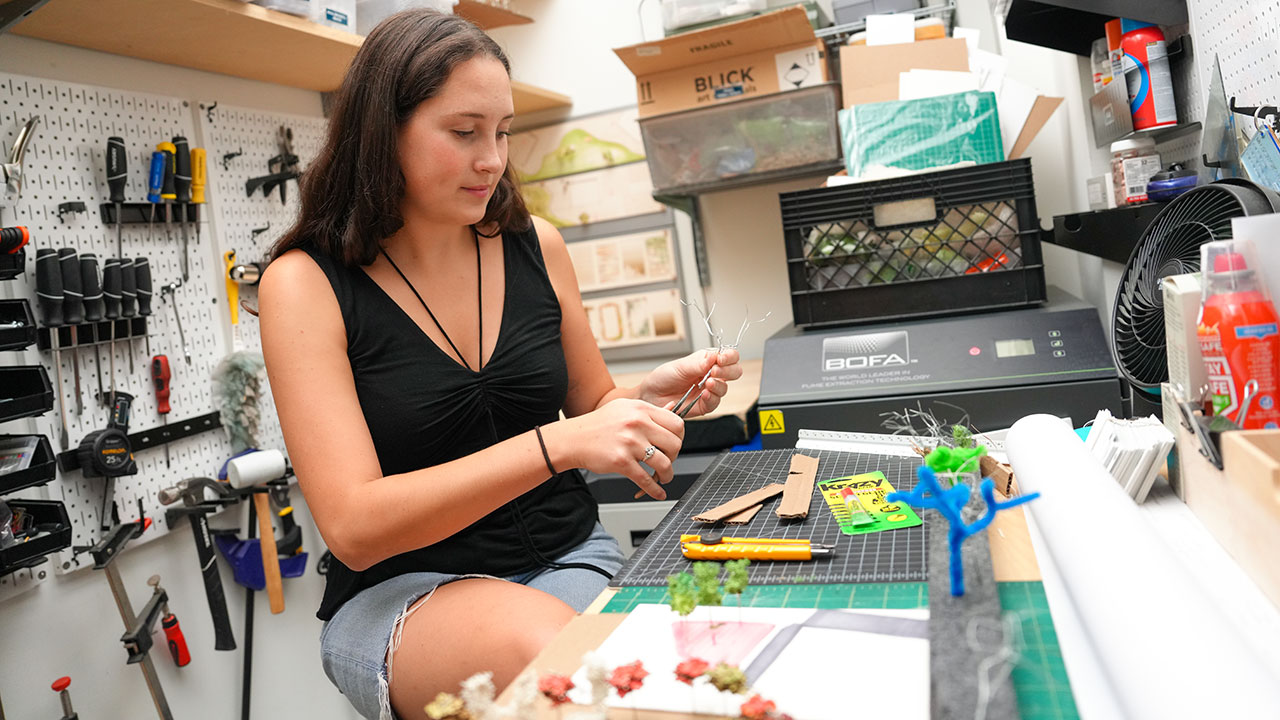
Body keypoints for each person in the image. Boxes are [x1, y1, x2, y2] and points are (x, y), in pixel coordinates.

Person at [258, 9, 742, 720]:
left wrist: (641, 400)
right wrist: (556, 445)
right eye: (464, 133)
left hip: (567, 554)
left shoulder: (533, 245)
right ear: (381, 131)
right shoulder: (304, 285)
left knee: (677, 682)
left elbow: (590, 406)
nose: (492, 159)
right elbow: (355, 525)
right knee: (560, 668)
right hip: (410, 590)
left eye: (503, 132)